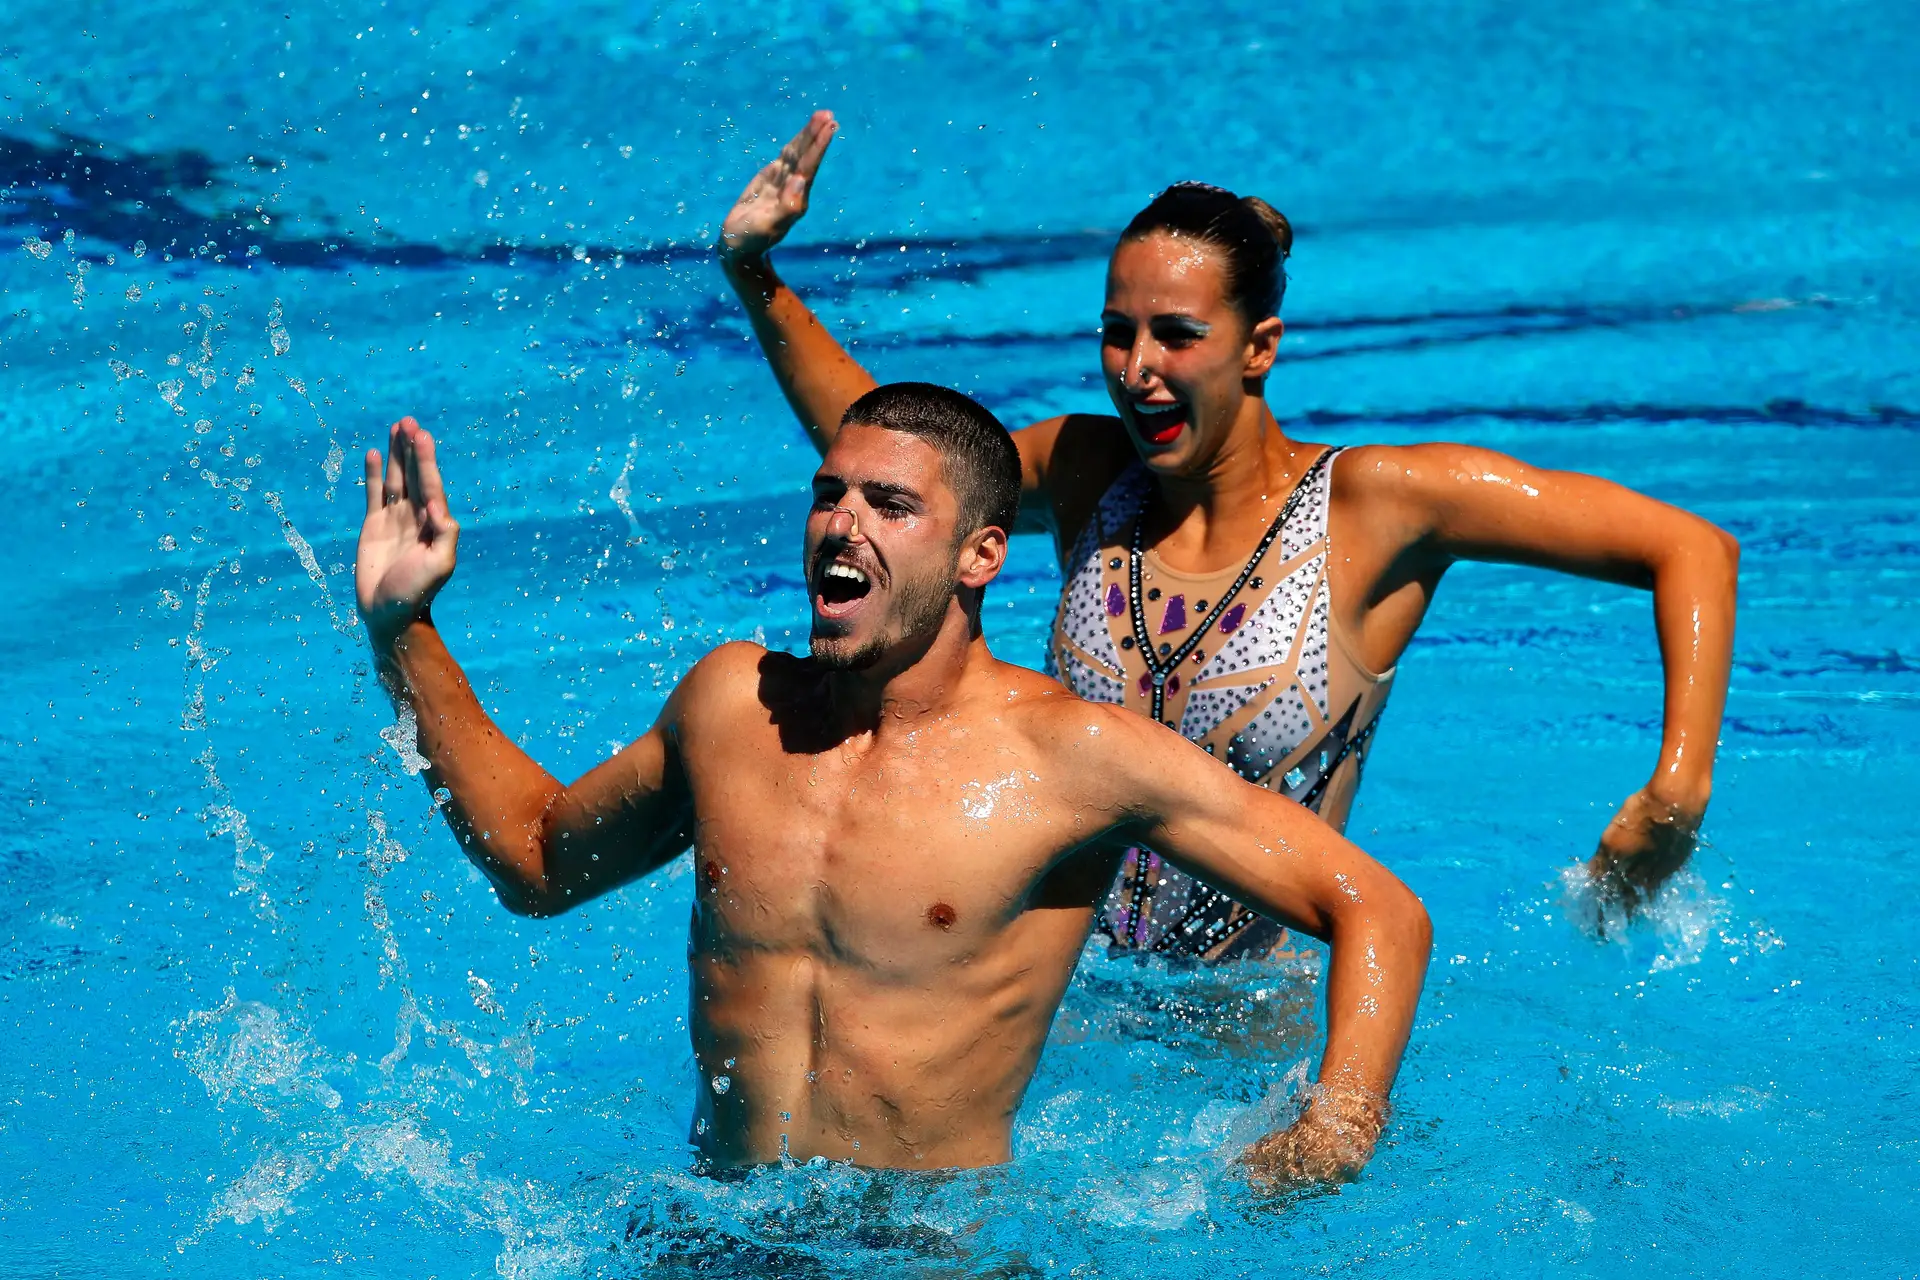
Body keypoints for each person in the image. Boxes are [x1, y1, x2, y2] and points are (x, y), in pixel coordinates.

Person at [718, 111, 1740, 959]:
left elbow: (1690, 546)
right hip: (1061, 1027)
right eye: (1118, 332)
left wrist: (1676, 789)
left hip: (1243, 1056)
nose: (1137, 367)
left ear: (1259, 349)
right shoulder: (1088, 472)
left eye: (1177, 335)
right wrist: (754, 270)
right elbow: (895, 467)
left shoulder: (1372, 506)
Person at [353, 387, 1432, 1181]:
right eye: (829, 493)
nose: (842, 521)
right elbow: (539, 860)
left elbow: (1377, 906)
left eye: (888, 502)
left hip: (932, 1250)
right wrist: (405, 629)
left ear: (981, 554)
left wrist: (1332, 1130)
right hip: (714, 1231)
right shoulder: (735, 708)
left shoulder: (1075, 758)